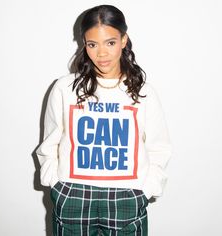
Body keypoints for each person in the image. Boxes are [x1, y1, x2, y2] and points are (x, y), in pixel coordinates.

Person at [36, 4, 172, 236]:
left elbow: (159, 147)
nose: (101, 53)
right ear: (84, 45)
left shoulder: (143, 92)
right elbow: (50, 143)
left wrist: (145, 189)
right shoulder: (64, 88)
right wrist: (58, 184)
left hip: (127, 196)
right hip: (73, 196)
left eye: (110, 42)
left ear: (124, 40)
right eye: (92, 44)